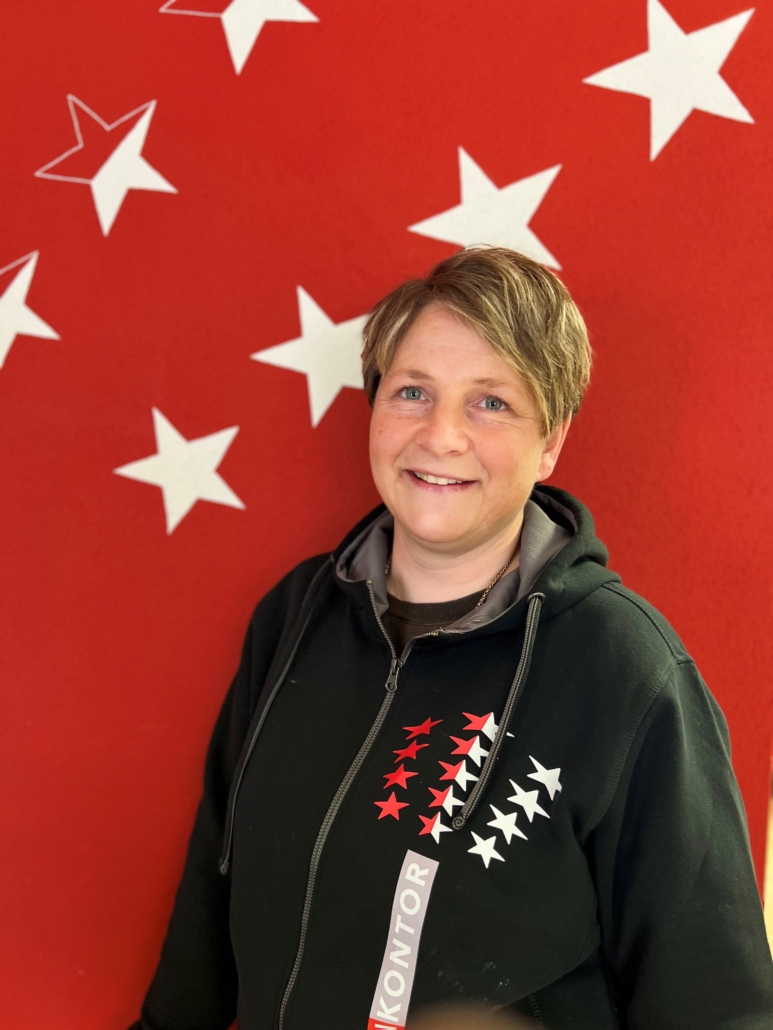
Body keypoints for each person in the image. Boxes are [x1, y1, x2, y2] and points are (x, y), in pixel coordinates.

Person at [129, 248, 773, 1030]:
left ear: (550, 442)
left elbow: (715, 1004)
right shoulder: (294, 617)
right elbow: (212, 886)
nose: (440, 435)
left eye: (490, 403)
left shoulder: (624, 669)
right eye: (412, 391)